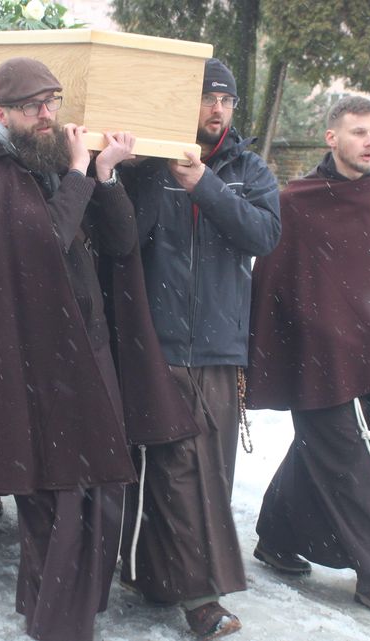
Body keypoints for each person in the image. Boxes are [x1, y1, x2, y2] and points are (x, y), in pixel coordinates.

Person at [0, 56, 160, 641]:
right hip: (33, 362)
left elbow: (119, 242)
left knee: (100, 488)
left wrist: (104, 176)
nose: (46, 114)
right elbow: (44, 246)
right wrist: (83, 172)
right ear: (0, 114)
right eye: (33, 105)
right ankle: (58, 622)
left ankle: (61, 613)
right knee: (58, 496)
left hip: (86, 348)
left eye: (52, 102)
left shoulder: (49, 168)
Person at [246, 95, 370, 614]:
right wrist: (316, 331)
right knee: (350, 461)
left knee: (331, 451)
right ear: (332, 138)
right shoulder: (297, 202)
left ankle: (276, 536)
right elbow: (272, 283)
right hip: (314, 359)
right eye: (358, 132)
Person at [120, 57, 280, 638]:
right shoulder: (150, 167)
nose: (218, 109)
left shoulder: (248, 169)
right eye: (208, 97)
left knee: (210, 473)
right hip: (158, 346)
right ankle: (201, 598)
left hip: (218, 347)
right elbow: (120, 240)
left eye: (227, 100)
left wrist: (205, 188)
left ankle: (155, 574)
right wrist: (131, 170)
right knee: (173, 468)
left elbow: (263, 234)